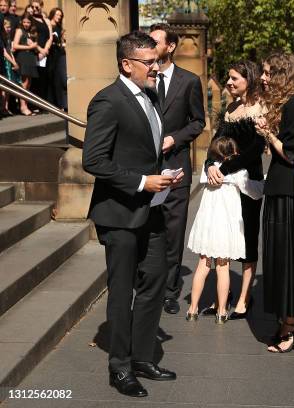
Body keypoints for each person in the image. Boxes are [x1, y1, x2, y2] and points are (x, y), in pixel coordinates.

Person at [82, 31, 182, 398]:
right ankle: (120, 367)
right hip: (120, 214)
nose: (156, 67)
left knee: (156, 280)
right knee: (122, 291)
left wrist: (165, 177)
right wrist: (142, 182)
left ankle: (142, 357)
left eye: (156, 60)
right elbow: (93, 160)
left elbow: (147, 148)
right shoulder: (108, 101)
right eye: (149, 62)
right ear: (127, 64)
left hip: (151, 211)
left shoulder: (151, 96)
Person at [257, 52, 294, 353]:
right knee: (280, 258)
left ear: (281, 75)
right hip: (279, 190)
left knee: (288, 259)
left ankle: (292, 323)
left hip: (289, 195)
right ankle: (287, 319)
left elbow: (293, 154)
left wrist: (269, 135)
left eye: (267, 73)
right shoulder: (284, 104)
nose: (263, 78)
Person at [148, 23, 205, 316]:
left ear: (170, 47)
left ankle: (170, 291)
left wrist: (175, 138)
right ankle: (148, 285)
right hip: (145, 169)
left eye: (155, 41)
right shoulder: (141, 77)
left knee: (172, 231)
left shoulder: (189, 81)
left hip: (175, 170)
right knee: (146, 229)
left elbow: (198, 122)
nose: (149, 44)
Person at [206, 60, 266, 320]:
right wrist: (210, 164)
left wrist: (225, 168)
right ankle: (223, 296)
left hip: (247, 184)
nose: (229, 83)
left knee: (248, 236)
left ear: (248, 80)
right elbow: (215, 143)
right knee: (224, 236)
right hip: (225, 185)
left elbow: (254, 150)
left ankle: (244, 297)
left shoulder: (262, 108)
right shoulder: (229, 108)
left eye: (233, 79)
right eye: (228, 78)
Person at [186, 136, 264, 324]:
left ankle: (192, 309)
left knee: (203, 265)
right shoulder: (238, 173)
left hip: (208, 223)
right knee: (223, 267)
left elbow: (207, 174)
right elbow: (255, 192)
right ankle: (221, 311)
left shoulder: (208, 172)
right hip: (226, 225)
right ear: (235, 153)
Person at [12, 13, 38, 116]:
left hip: (30, 58)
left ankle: (25, 104)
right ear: (21, 22)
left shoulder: (30, 32)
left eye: (28, 22)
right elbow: (15, 45)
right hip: (23, 57)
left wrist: (33, 46)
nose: (26, 24)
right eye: (24, 22)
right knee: (24, 83)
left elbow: (33, 46)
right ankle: (23, 106)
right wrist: (29, 47)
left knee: (29, 83)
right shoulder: (19, 30)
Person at [29, 0, 51, 103]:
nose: (34, 9)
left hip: (45, 53)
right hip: (34, 52)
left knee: (45, 78)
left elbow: (50, 37)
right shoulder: (29, 19)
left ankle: (44, 103)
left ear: (41, 6)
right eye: (33, 7)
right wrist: (40, 50)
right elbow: (28, 38)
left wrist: (45, 49)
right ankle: (34, 104)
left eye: (37, 7)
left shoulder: (46, 20)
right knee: (35, 80)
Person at [47, 7, 66, 110]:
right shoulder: (49, 24)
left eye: (60, 15)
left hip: (58, 54)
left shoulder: (59, 27)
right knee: (51, 78)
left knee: (58, 79)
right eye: (57, 14)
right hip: (51, 54)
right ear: (52, 14)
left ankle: (58, 103)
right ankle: (50, 103)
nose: (59, 17)